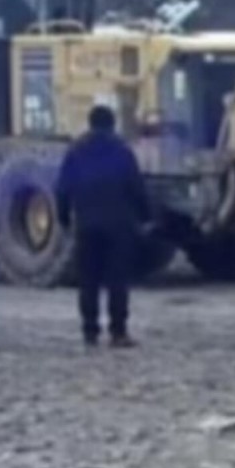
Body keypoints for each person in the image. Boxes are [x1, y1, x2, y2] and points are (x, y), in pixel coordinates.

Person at [55, 104, 151, 348]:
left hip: (86, 224)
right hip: (119, 224)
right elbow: (135, 186)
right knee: (117, 280)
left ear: (90, 123)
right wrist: (145, 216)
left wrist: (64, 218)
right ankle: (118, 332)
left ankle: (90, 331)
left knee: (88, 281)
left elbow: (63, 188)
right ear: (112, 123)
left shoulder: (76, 151)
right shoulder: (121, 150)